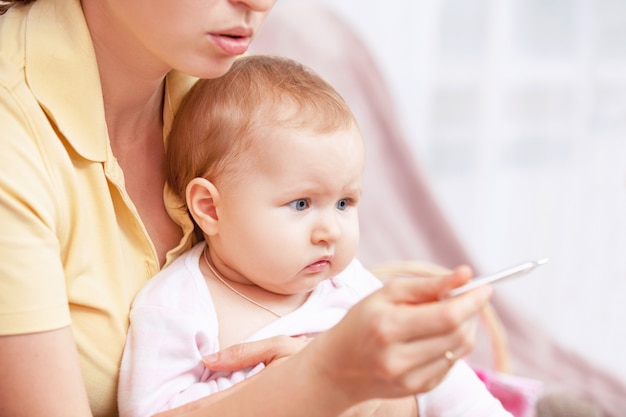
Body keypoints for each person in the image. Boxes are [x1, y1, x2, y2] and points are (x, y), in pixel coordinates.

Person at [0, 0, 494, 416]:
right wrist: (320, 380)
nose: (259, 2)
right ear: (206, 205)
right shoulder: (14, 139)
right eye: (301, 203)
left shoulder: (227, 95)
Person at [118, 54, 511, 417]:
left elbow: (446, 385)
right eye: (302, 204)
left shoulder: (347, 283)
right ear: (210, 208)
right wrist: (286, 383)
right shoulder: (176, 307)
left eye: (344, 203)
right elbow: (152, 411)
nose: (330, 231)